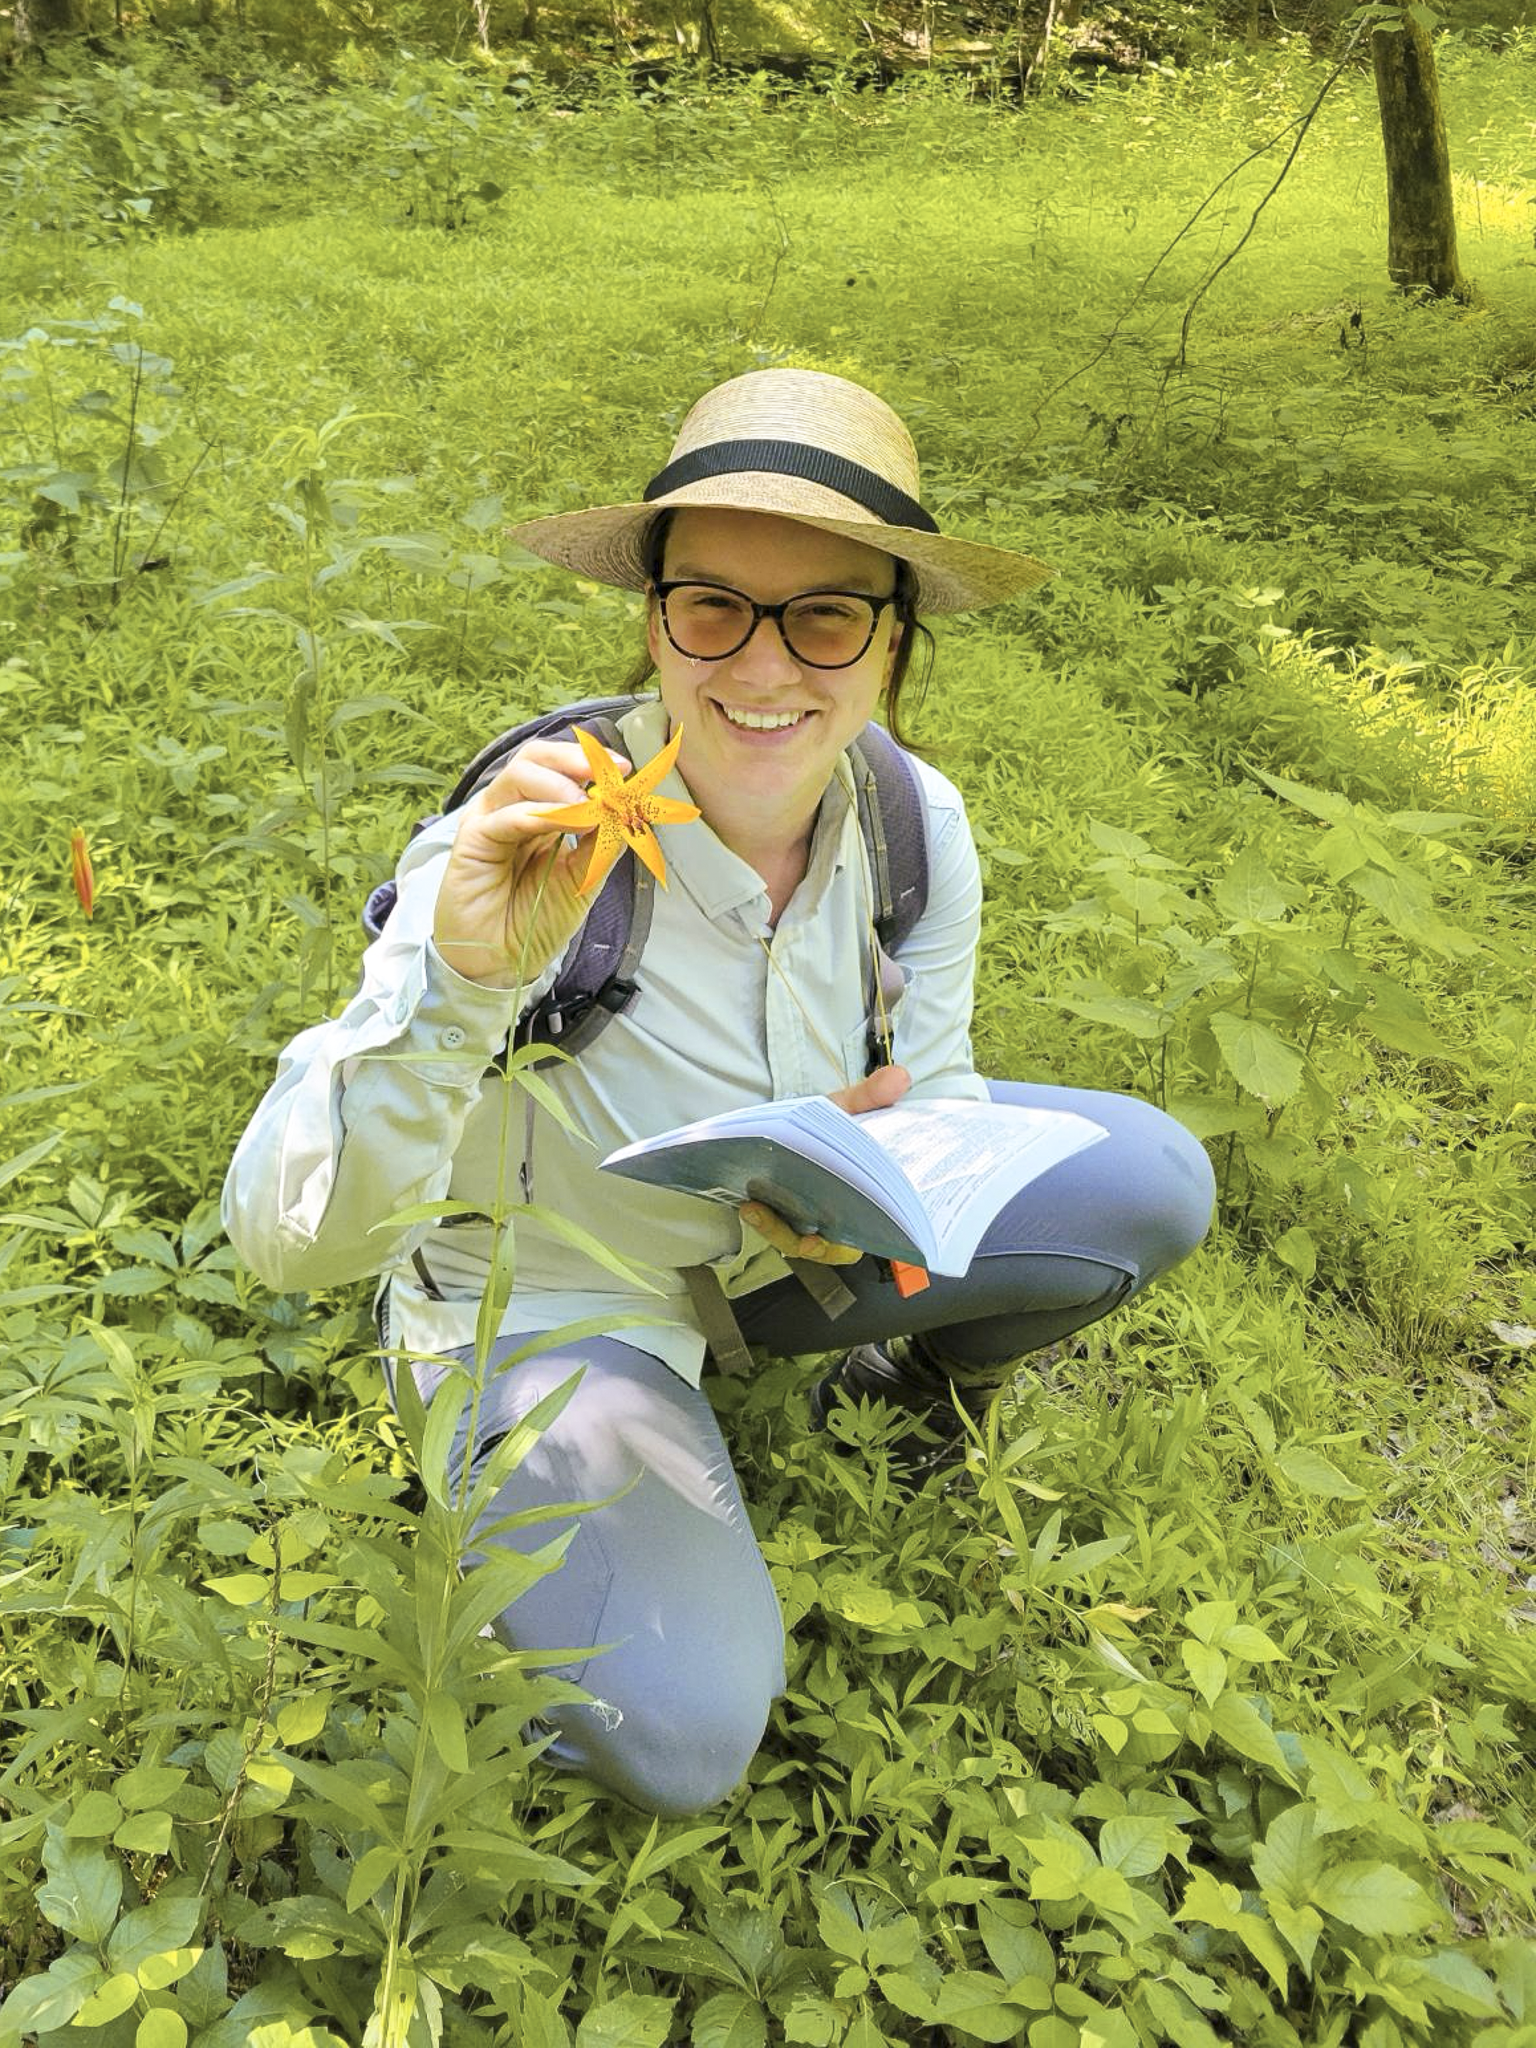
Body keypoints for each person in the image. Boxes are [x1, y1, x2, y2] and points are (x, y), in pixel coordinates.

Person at [223, 367, 1215, 1819]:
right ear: (653, 620)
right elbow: (288, 1247)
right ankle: (533, 1469)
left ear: (893, 641)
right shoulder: (534, 835)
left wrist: (885, 1171)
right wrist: (464, 985)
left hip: (768, 1261)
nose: (762, 668)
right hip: (552, 1303)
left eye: (826, 616)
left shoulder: (910, 822)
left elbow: (934, 1085)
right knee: (684, 1735)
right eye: (712, 608)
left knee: (1148, 1179)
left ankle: (904, 1384)